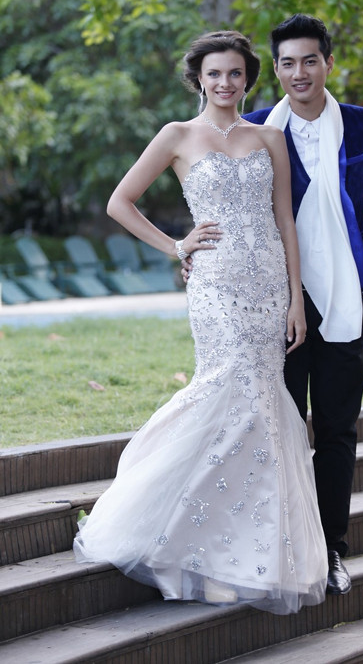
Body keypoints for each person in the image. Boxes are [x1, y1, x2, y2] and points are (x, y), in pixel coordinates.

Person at [73, 30, 328, 615]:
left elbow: (284, 220)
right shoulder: (177, 135)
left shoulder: (269, 138)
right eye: (215, 73)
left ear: (248, 79)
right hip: (215, 286)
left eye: (235, 73)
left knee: (261, 408)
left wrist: (295, 298)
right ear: (199, 78)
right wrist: (176, 245)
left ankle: (238, 556)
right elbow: (120, 202)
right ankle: (161, 524)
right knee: (223, 391)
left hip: (269, 287)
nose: (225, 83)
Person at [184, 14, 363, 595]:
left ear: (328, 63)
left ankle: (330, 552)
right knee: (272, 427)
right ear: (276, 71)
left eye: (310, 60)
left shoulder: (361, 124)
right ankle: (271, 550)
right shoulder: (256, 127)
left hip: (347, 299)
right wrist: (191, 249)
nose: (299, 72)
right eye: (287, 62)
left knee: (336, 429)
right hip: (271, 303)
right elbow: (219, 194)